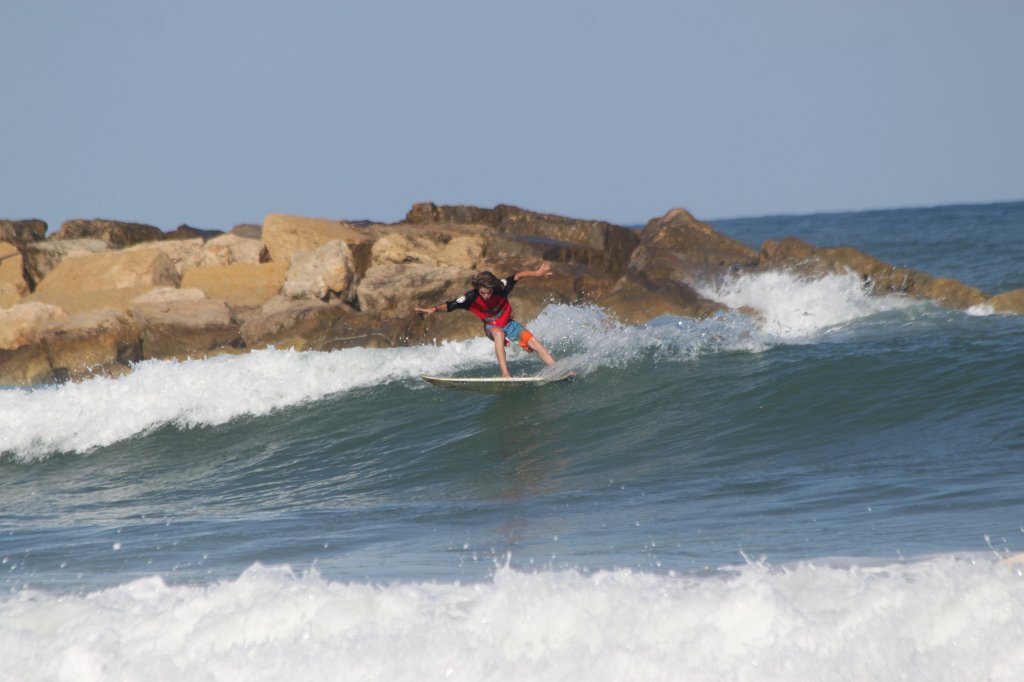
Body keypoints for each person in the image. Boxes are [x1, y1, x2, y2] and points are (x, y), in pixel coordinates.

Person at [417, 262, 558, 378]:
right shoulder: (470, 298)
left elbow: (518, 275)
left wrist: (538, 273)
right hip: (492, 327)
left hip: (509, 324)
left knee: (534, 343)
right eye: (483, 292)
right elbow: (450, 305)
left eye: (489, 292)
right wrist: (434, 309)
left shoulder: (501, 287)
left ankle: (556, 369)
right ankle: (505, 374)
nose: (486, 295)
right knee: (499, 334)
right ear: (477, 288)